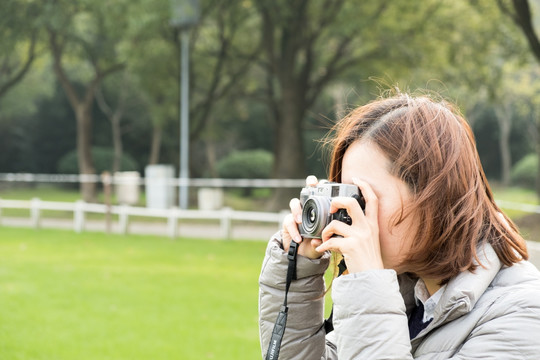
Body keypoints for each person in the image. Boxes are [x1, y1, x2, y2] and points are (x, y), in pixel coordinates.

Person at [258, 92, 540, 359]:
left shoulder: (522, 314)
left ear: (434, 196)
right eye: (344, 196)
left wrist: (367, 284)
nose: (346, 215)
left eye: (364, 198)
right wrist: (298, 271)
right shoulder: (400, 294)